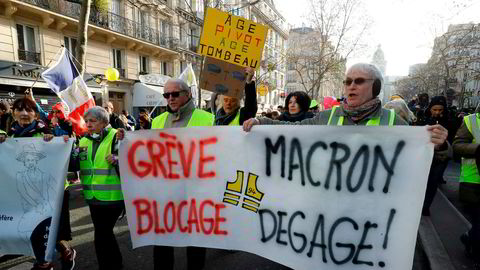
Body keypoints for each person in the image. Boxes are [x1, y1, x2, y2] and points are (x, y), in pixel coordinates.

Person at [117, 78, 214, 270]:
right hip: (163, 192)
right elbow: (147, 150)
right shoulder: (158, 121)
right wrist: (125, 137)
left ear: (188, 94)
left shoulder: (207, 118)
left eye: (175, 94)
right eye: (166, 95)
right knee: (162, 239)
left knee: (195, 241)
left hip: (194, 192)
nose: (170, 98)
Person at [243, 62, 447, 145]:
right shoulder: (327, 116)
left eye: (359, 81)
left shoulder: (394, 121)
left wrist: (438, 143)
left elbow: (419, 150)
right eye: (348, 81)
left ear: (375, 87)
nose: (351, 86)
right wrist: (261, 122)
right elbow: (293, 129)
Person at [0, 97, 77, 270]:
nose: (24, 113)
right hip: (27, 190)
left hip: (52, 191)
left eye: (29, 110)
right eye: (19, 110)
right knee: (35, 229)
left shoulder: (46, 131)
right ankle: (46, 261)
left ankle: (56, 257)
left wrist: (56, 140)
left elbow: (68, 148)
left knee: (51, 228)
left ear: (36, 114)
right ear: (13, 113)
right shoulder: (10, 134)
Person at [68, 106, 124, 270]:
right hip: (92, 197)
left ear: (104, 121)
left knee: (102, 234)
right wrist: (66, 148)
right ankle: (112, 264)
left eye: (93, 120)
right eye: (86, 121)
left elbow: (133, 158)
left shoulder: (117, 135)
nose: (88, 124)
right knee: (103, 234)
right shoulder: (83, 139)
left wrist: (118, 158)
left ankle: (110, 265)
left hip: (114, 197)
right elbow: (75, 165)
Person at [453, 111, 480, 270]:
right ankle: (477, 255)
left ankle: (469, 237)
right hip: (474, 181)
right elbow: (457, 146)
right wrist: (477, 149)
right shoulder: (471, 121)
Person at [417, 96, 452, 216]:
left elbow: (452, 141)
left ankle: (425, 207)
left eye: (440, 110)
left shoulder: (450, 121)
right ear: (430, 109)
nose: (437, 112)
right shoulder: (422, 119)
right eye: (435, 109)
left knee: (433, 182)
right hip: (424, 156)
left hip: (440, 158)